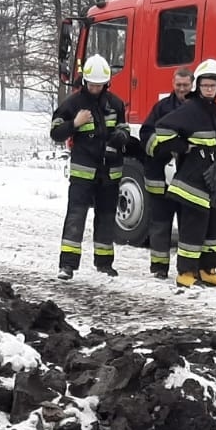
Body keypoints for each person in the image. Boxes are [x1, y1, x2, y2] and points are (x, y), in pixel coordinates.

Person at [144, 58, 216, 287]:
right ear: (198, 86)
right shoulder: (191, 108)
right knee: (193, 228)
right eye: (205, 85)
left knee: (213, 227)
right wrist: (183, 147)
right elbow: (162, 128)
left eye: (213, 85)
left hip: (212, 178)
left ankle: (208, 269)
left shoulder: (213, 111)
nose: (209, 89)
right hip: (193, 180)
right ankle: (186, 273)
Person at [50, 54, 129, 280]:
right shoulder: (73, 104)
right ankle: (67, 265)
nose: (95, 88)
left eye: (99, 85)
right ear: (85, 81)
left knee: (106, 218)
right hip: (83, 172)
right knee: (76, 217)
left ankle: (104, 264)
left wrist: (121, 136)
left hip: (109, 172)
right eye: (92, 84)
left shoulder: (115, 104)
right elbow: (55, 132)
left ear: (106, 83)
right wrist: (75, 123)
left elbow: (124, 128)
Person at [138, 67, 193, 279]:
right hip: (160, 177)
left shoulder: (198, 109)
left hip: (187, 178)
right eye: (178, 85)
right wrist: (166, 148)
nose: (181, 89)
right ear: (173, 83)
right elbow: (146, 134)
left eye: (185, 85)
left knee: (187, 226)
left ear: (192, 84)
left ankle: (186, 269)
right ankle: (159, 267)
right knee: (160, 224)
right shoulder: (161, 108)